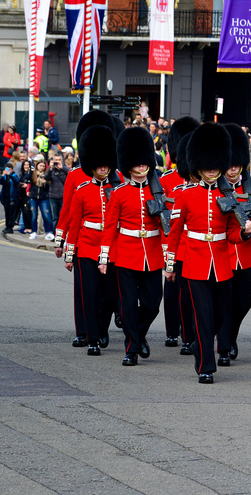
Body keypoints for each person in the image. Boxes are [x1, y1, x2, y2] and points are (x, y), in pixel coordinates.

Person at [164, 123, 251, 384]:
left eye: (214, 165)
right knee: (203, 314)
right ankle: (205, 364)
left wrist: (246, 232)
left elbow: (230, 233)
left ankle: (202, 344)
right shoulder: (185, 195)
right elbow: (175, 232)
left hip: (221, 262)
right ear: (198, 166)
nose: (211, 170)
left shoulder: (226, 195)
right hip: (195, 262)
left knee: (220, 314)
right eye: (207, 166)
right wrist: (171, 264)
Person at [101, 126, 165, 366]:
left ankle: (138, 333)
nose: (141, 166)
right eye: (136, 163)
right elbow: (110, 227)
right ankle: (132, 348)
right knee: (127, 305)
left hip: (152, 253)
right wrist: (104, 257)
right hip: (126, 254)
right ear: (129, 165)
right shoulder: (118, 193)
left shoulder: (159, 190)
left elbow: (166, 225)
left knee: (151, 305)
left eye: (144, 163)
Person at [64, 125, 118, 356]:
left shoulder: (118, 188)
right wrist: (69, 254)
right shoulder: (82, 190)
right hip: (86, 247)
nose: (104, 168)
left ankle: (102, 328)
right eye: (100, 164)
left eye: (107, 164)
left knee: (110, 295)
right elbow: (74, 223)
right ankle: (92, 338)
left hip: (112, 248)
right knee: (89, 293)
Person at [216, 123, 251, 363]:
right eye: (230, 164)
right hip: (222, 254)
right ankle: (224, 347)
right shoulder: (214, 190)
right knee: (224, 302)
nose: (234, 168)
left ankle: (230, 336)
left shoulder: (248, 188)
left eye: (237, 164)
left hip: (245, 256)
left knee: (243, 303)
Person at [160, 116, 200, 351]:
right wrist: (168, 248)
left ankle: (189, 332)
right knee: (172, 289)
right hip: (175, 242)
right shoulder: (166, 180)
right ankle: (171, 330)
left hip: (194, 242)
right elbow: (165, 217)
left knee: (190, 293)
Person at [45, 153, 69, 226]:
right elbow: (46, 178)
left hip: (63, 196)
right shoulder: (51, 169)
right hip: (53, 196)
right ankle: (54, 234)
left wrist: (62, 168)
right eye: (56, 160)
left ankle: (62, 234)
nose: (58, 161)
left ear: (62, 160)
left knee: (63, 216)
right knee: (54, 217)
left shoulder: (65, 168)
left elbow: (71, 174)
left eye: (59, 160)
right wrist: (50, 168)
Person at [0, 162, 20, 234]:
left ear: (12, 169)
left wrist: (10, 174)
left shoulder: (14, 175)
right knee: (7, 213)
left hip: (12, 197)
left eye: (9, 169)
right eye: (7, 169)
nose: (8, 171)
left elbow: (17, 181)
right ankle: (7, 226)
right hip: (5, 197)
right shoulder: (5, 177)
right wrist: (3, 175)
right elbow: (0, 182)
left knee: (11, 213)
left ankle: (10, 227)